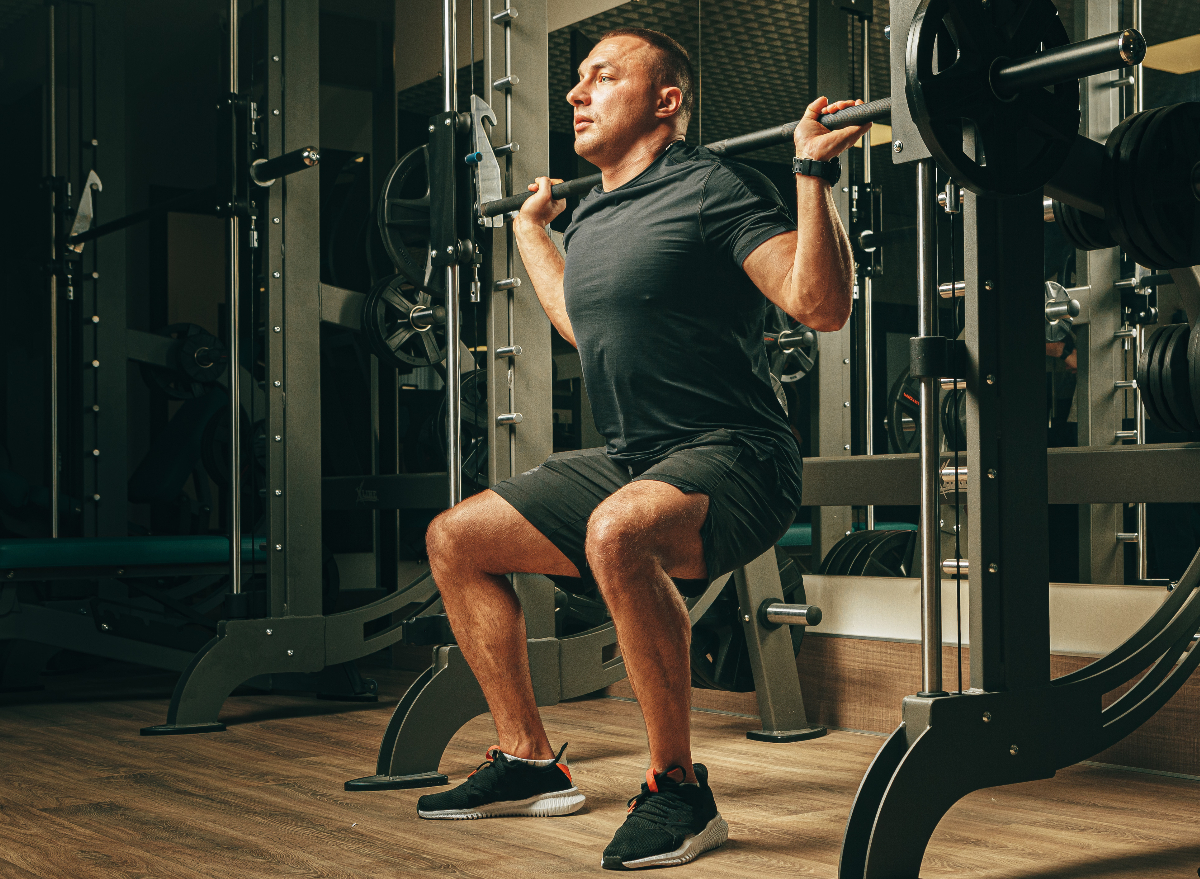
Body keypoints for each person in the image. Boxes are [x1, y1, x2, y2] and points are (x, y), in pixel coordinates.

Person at [414, 26, 864, 870]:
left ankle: (678, 789)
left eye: (601, 77)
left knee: (618, 530)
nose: (577, 94)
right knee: (456, 540)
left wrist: (811, 173)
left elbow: (819, 304)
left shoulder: (712, 187)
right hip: (637, 460)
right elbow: (584, 329)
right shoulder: (594, 212)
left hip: (737, 457)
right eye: (576, 81)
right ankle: (525, 760)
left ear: (667, 101)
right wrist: (531, 235)